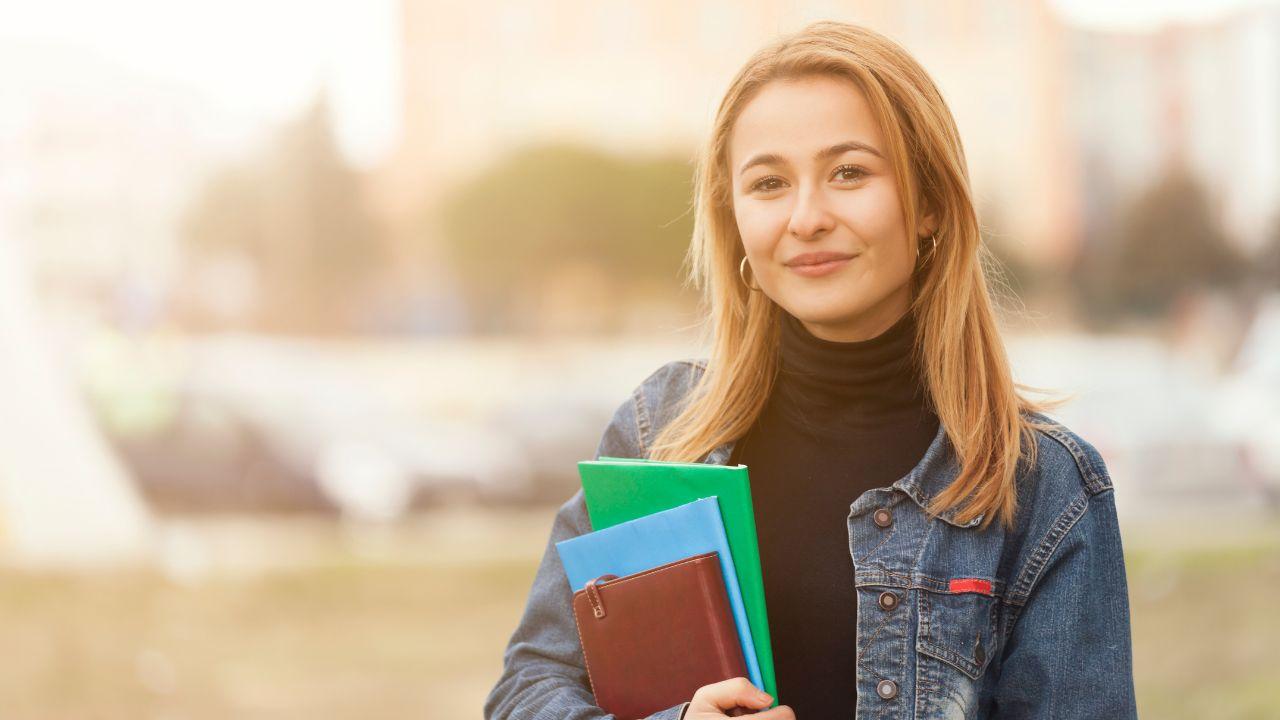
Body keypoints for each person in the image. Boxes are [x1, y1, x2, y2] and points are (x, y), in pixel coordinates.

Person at [484, 19, 1137, 720]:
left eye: (849, 173)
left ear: (931, 205)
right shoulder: (659, 430)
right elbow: (528, 691)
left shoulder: (1044, 488)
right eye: (768, 183)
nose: (806, 217)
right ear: (732, 219)